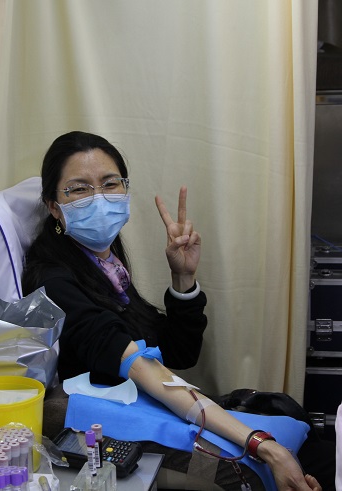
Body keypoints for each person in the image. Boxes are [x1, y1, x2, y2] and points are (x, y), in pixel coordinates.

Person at [22, 131, 322, 491]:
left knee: (296, 424)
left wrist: (183, 278)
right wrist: (261, 444)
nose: (99, 197)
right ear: (54, 206)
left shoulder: (106, 266)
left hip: (149, 404)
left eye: (110, 183)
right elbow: (145, 370)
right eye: (79, 189)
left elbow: (179, 353)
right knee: (248, 472)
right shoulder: (53, 279)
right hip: (110, 422)